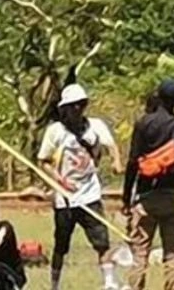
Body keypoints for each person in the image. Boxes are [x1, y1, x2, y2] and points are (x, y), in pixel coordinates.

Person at [38, 82, 121, 290]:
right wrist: (59, 180)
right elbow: (43, 161)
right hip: (64, 199)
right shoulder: (55, 131)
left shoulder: (96, 126)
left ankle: (109, 283)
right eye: (73, 105)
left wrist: (115, 161)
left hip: (90, 194)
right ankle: (54, 285)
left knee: (102, 241)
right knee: (61, 246)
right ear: (64, 109)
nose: (77, 109)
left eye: (81, 104)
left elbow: (111, 146)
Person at [124, 78, 174, 290]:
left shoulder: (144, 123)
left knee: (140, 254)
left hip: (146, 197)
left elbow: (133, 162)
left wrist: (126, 196)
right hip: (172, 196)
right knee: (172, 254)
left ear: (158, 95)